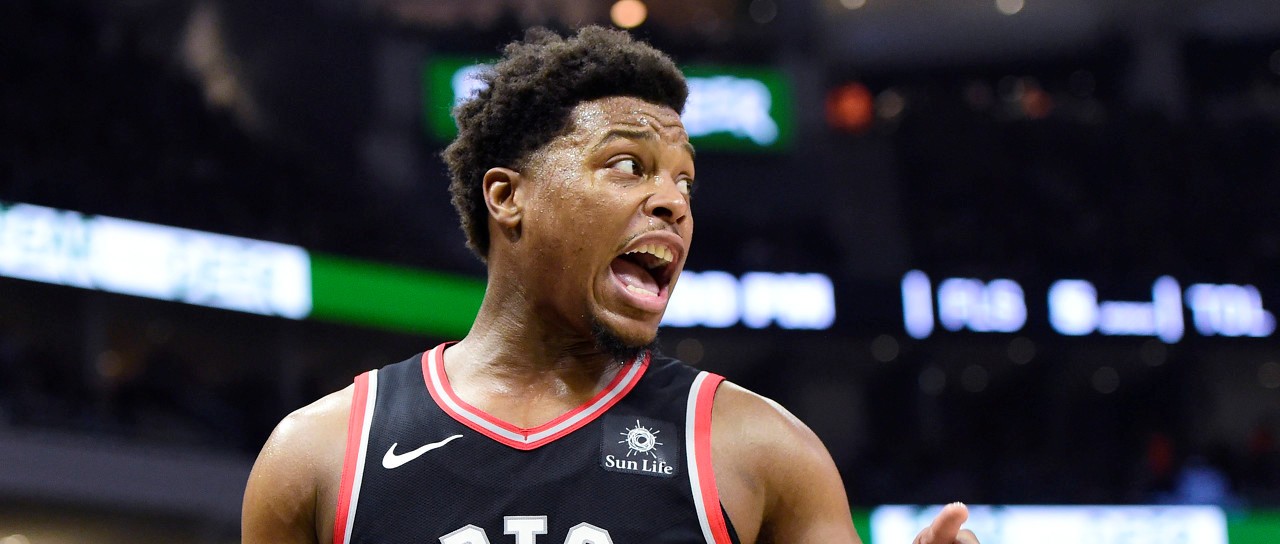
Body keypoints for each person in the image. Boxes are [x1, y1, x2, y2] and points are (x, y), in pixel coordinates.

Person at [242, 26, 980, 544]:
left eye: (685, 180)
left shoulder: (764, 451)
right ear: (507, 196)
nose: (674, 203)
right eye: (629, 165)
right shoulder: (319, 454)